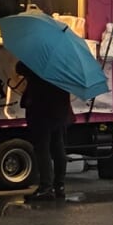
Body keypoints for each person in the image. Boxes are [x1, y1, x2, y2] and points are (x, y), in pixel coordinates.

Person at [22, 68, 72, 200]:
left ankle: (46, 187)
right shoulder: (64, 65)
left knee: (42, 149)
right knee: (58, 148)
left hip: (41, 110)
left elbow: (20, 68)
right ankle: (59, 186)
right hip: (59, 110)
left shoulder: (39, 63)